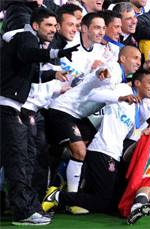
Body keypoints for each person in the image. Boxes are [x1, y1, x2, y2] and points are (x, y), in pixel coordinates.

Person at [0, 8, 78, 225]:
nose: (54, 30)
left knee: (24, 159)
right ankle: (23, 212)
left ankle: (29, 207)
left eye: (55, 25)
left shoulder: (28, 42)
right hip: (7, 108)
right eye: (49, 25)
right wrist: (56, 54)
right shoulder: (25, 37)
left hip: (14, 109)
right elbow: (28, 54)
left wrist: (53, 74)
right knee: (19, 161)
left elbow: (31, 74)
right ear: (35, 26)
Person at [41, 70, 150, 214]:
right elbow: (93, 94)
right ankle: (58, 196)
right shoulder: (123, 89)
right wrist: (120, 98)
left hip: (113, 153)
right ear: (137, 83)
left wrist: (141, 133)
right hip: (102, 150)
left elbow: (125, 133)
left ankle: (62, 197)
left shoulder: (136, 107)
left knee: (111, 203)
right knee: (103, 202)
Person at [46, 46, 141, 200]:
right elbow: (103, 72)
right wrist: (101, 73)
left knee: (59, 154)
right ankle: (69, 198)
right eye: (135, 58)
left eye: (140, 59)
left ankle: (62, 192)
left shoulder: (120, 76)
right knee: (79, 152)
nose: (139, 62)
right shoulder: (114, 70)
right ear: (122, 58)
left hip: (77, 116)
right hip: (63, 111)